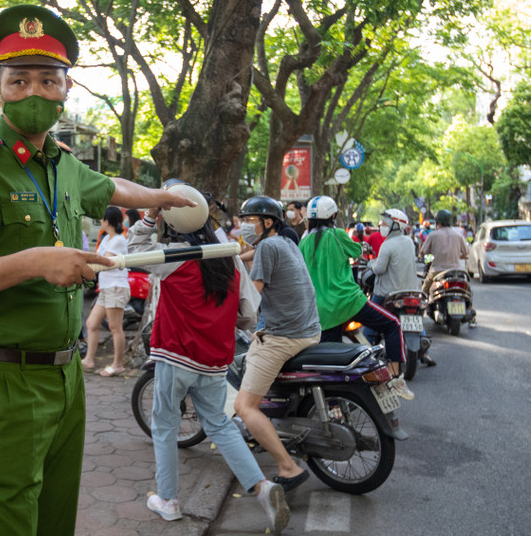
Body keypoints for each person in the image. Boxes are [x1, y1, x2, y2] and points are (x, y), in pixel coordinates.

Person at [0, 3, 195, 536]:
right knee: (8, 524)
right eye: (19, 80)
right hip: (3, 376)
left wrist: (161, 197)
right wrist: (35, 262)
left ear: (66, 89)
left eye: (48, 80)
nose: (34, 92)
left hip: (66, 373)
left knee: (55, 518)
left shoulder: (64, 163)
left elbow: (114, 188)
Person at [128, 199, 289, 532]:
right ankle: (262, 487)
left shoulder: (174, 256)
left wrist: (150, 215)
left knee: (165, 425)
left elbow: (135, 250)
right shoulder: (229, 256)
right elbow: (249, 313)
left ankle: (168, 500)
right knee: (220, 425)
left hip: (176, 355)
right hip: (215, 359)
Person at [232, 195, 321, 492]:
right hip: (309, 330)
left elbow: (251, 299)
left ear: (267, 222)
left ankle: (288, 467)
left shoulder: (267, 247)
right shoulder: (286, 242)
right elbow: (250, 260)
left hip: (284, 337)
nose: (245, 225)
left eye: (249, 220)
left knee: (244, 406)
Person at [298, 196, 415, 400]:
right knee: (393, 324)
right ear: (333, 216)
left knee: (329, 360)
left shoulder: (303, 243)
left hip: (322, 311)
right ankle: (396, 377)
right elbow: (356, 251)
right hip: (349, 302)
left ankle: (333, 404)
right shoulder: (337, 235)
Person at [367, 208, 435, 367]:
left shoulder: (387, 245)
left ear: (395, 225)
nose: (382, 226)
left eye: (385, 223)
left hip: (388, 293)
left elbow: (379, 269)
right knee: (416, 318)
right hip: (411, 292)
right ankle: (425, 350)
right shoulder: (409, 242)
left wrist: (371, 264)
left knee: (369, 321)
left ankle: (367, 351)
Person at [81, 206, 130, 375]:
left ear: (107, 221)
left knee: (115, 327)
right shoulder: (107, 239)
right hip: (105, 287)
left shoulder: (119, 240)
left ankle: (117, 364)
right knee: (91, 324)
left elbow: (104, 261)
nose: (100, 221)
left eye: (101, 219)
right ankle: (89, 360)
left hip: (116, 286)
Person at [419, 209, 470, 299]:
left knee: (423, 294)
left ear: (438, 222)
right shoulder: (458, 235)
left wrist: (427, 256)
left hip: (437, 272)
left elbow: (422, 252)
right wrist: (456, 255)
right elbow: (466, 253)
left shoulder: (433, 235)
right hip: (455, 272)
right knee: (466, 292)